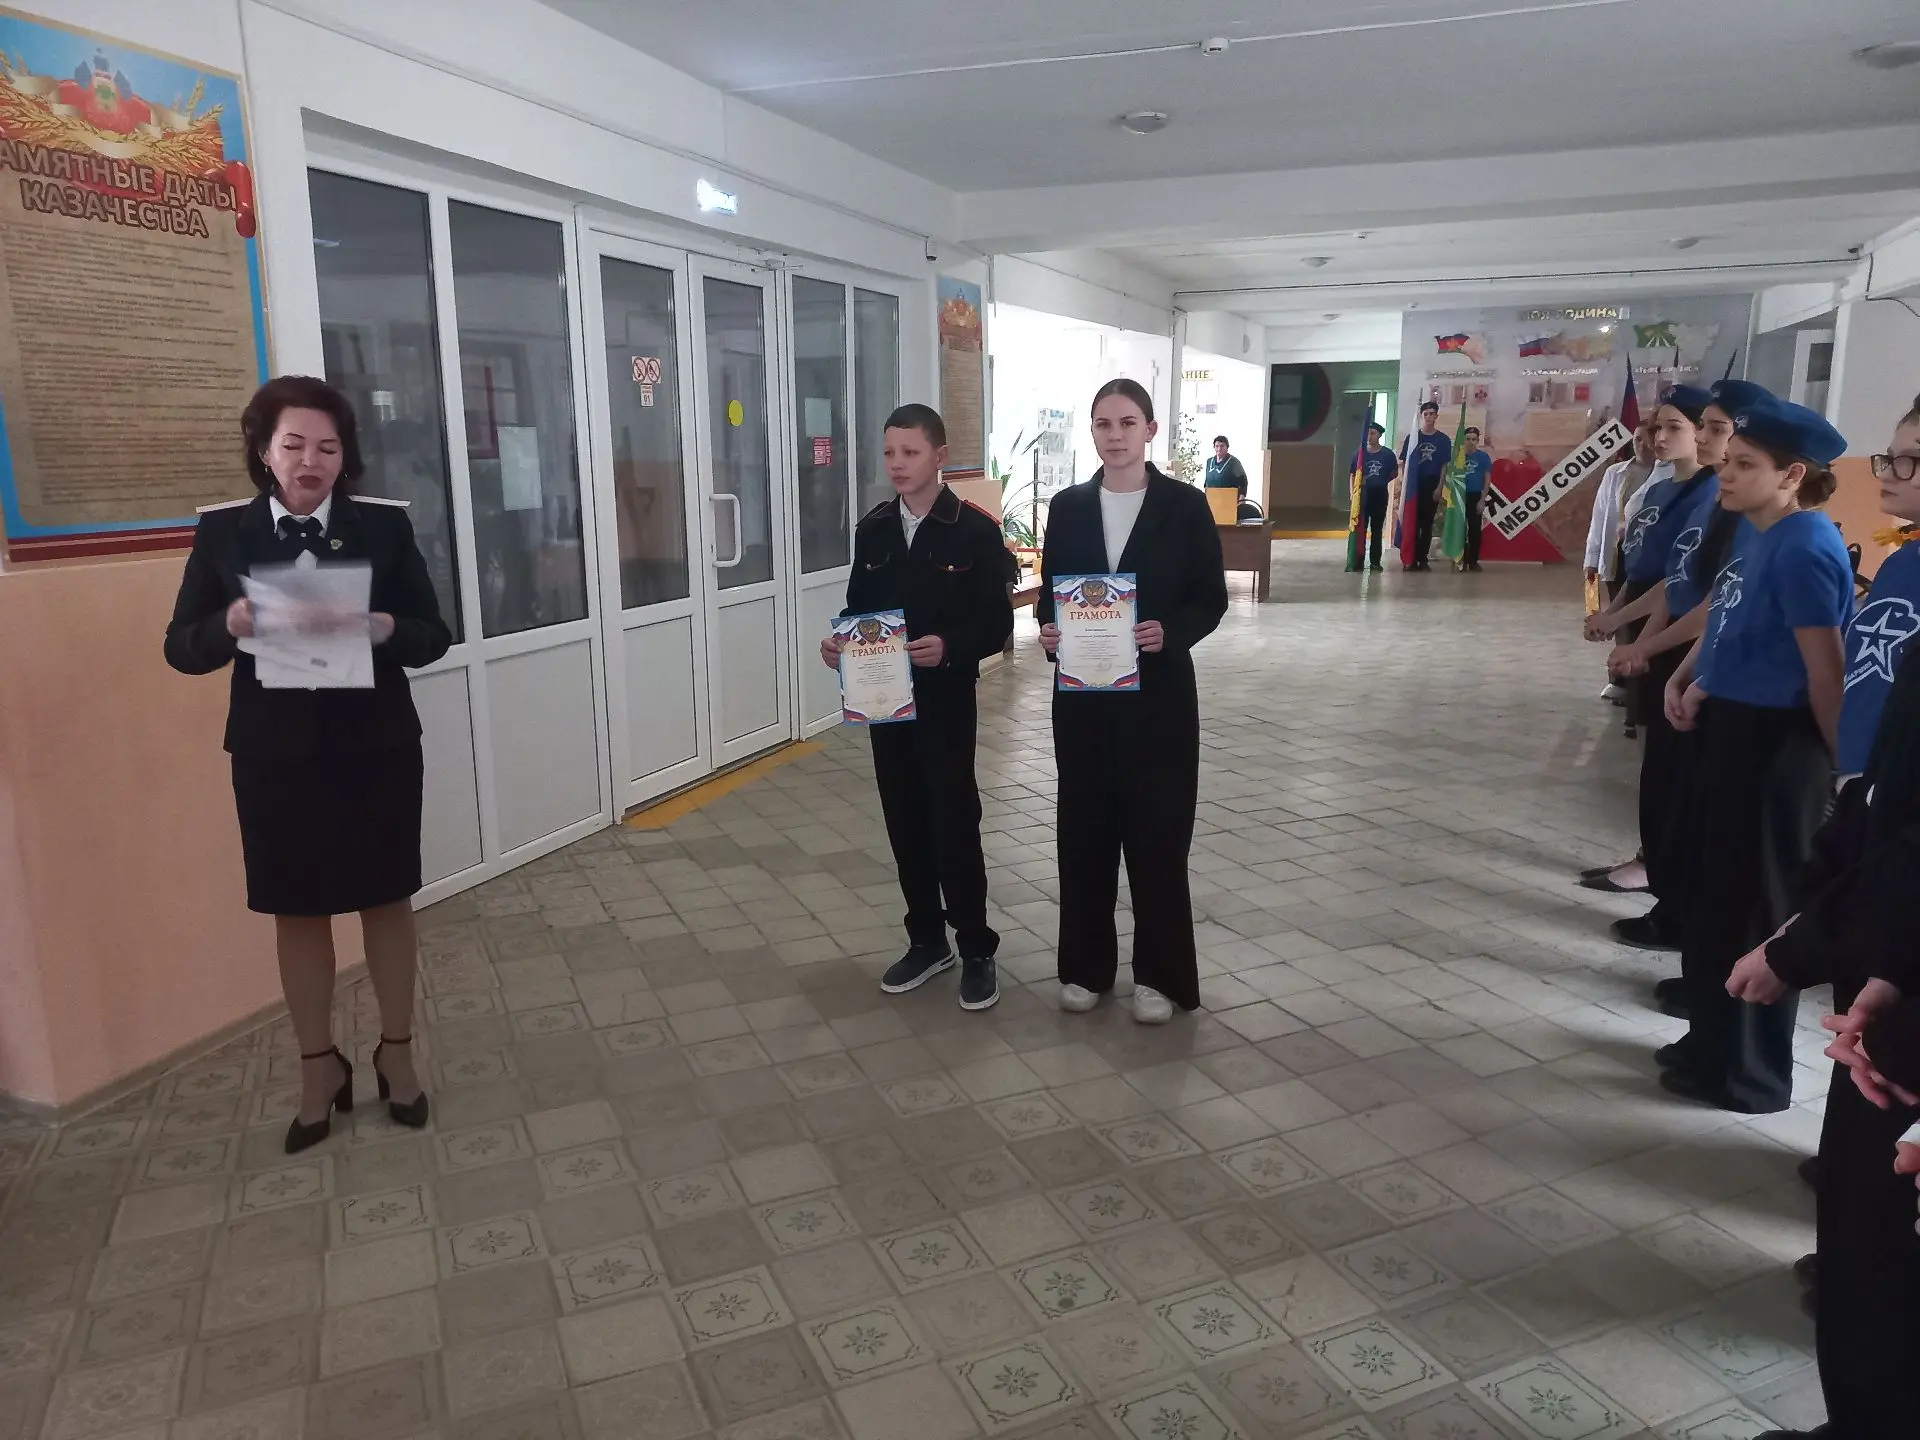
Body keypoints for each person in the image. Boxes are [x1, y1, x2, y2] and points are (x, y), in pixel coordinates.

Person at [165, 376, 452, 1154]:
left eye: (328, 447)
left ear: (344, 456)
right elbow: (180, 648)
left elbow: (434, 633)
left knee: (386, 900)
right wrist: (227, 624)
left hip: (375, 749)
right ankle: (318, 1067)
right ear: (264, 451)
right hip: (275, 758)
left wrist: (384, 625)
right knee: (297, 909)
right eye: (293, 444)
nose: (310, 460)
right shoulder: (224, 534)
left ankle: (397, 1054)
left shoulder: (382, 527)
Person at [1721, 393, 1920, 1440]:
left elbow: (1834, 680)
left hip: (1894, 920)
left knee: (1882, 1226)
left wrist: (1812, 941)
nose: (1892, 476)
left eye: (1911, 462)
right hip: (1889, 935)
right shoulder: (1905, 565)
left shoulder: (1807, 545)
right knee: (1862, 1208)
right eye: (1894, 456)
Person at [1661, 396, 1850, 1114]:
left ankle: (1751, 1073)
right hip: (1731, 729)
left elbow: (1825, 674)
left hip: (1779, 747)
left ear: (1792, 475)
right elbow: (1728, 616)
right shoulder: (1755, 528)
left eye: (1744, 465)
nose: (1726, 474)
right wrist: (1689, 676)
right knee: (1714, 896)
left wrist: (1841, 773)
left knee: (1756, 908)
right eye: (1728, 462)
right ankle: (1708, 1042)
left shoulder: (1806, 546)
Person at [1037, 379, 1227, 1022]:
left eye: (1126, 423)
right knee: (1083, 832)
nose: (1114, 436)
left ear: (1149, 429)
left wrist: (1171, 632)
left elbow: (1210, 598)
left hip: (1159, 700)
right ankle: (1085, 968)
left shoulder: (1184, 506)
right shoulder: (1067, 507)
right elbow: (1051, 594)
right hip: (1083, 701)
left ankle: (1160, 978)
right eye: (1103, 424)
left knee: (1157, 836)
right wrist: (1050, 631)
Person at [820, 405, 1014, 1010]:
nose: (897, 464)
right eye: (889, 453)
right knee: (904, 820)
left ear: (939, 455)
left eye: (910, 452)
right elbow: (858, 608)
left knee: (954, 822)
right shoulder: (874, 530)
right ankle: (928, 941)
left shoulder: (973, 530)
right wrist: (840, 646)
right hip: (885, 704)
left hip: (946, 701)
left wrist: (950, 647)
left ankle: (976, 948)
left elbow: (997, 623)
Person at [1579, 386, 1724, 934]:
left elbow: (1682, 584)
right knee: (1653, 754)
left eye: (1676, 427)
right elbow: (1643, 567)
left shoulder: (1712, 495)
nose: (1660, 437)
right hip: (1650, 620)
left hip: (1677, 634)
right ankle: (1654, 859)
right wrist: (1616, 615)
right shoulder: (1663, 488)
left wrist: (1642, 637)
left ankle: (1660, 868)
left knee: (1672, 762)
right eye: (1656, 427)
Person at [1404, 400, 1453, 571]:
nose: (1429, 416)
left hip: (1432, 484)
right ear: (1421, 416)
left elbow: (1444, 465)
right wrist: (1406, 486)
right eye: (1426, 414)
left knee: (1426, 524)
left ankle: (1422, 559)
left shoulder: (1443, 439)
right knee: (1413, 523)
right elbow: (1405, 463)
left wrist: (1440, 487)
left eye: (1432, 414)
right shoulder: (1413, 438)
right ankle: (1410, 559)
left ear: (1436, 416)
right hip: (1414, 485)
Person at [1358, 421, 1397, 572]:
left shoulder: (1387, 454)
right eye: (1368, 433)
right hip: (1363, 495)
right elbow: (1353, 473)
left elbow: (1393, 473)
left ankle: (1375, 562)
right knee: (1361, 529)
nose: (1369, 436)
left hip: (1379, 495)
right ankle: (1358, 560)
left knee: (1377, 530)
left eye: (1373, 433)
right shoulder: (1361, 453)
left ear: (1379, 435)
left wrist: (1380, 481)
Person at [1458, 425, 1493, 571]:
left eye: (1474, 439)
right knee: (1459, 529)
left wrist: (1482, 500)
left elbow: (1487, 480)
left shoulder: (1483, 457)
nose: (1471, 442)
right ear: (1464, 440)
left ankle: (1473, 561)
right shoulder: (1458, 457)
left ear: (1477, 441)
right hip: (1460, 496)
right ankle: (1460, 559)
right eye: (1468, 439)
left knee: (1474, 530)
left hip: (1475, 496)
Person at [1204, 436, 1248, 500]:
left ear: (1227, 447)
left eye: (1222, 446)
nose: (1219, 449)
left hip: (1228, 499)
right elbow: (1207, 481)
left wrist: (1242, 497)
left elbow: (1243, 481)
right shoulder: (1209, 461)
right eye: (1217, 446)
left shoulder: (1234, 462)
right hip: (1212, 498)